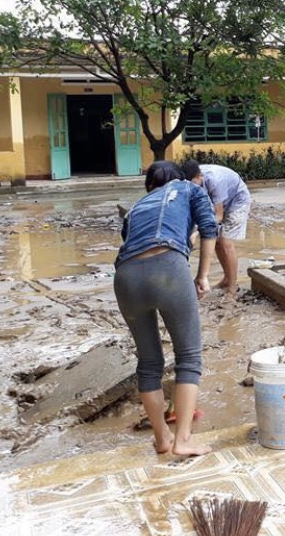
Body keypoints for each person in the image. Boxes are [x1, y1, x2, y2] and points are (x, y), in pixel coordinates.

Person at [114, 160, 218, 456]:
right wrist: (203, 276)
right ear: (180, 178)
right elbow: (210, 228)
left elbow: (132, 243)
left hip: (125, 277)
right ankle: (182, 440)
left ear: (150, 185)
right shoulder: (190, 189)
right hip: (168, 269)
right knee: (189, 358)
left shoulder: (137, 206)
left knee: (149, 363)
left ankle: (161, 438)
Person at [182, 160, 252, 293]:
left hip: (237, 200)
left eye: (192, 184)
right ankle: (227, 278)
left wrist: (196, 232)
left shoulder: (215, 180)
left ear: (199, 177)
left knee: (225, 243)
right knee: (217, 242)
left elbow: (218, 216)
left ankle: (232, 287)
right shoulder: (187, 181)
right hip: (218, 203)